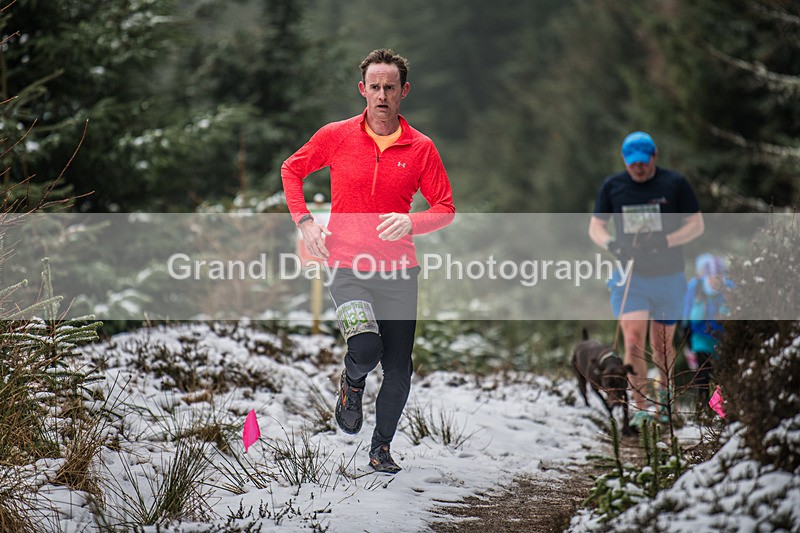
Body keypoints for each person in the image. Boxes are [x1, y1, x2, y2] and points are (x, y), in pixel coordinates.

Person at [281, 49, 455, 473]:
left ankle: (381, 449)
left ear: (403, 92)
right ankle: (352, 383)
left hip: (398, 273)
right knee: (364, 346)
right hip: (347, 266)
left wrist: (410, 222)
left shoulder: (421, 148)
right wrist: (305, 223)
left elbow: (445, 207)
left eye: (389, 87)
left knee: (398, 368)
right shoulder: (336, 135)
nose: (381, 95)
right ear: (363, 90)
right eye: (374, 87)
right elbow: (291, 170)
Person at [588, 131, 704, 428]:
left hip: (668, 277)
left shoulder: (674, 183)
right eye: (631, 163)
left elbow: (696, 225)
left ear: (654, 157)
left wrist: (666, 241)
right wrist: (612, 244)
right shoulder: (613, 186)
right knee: (633, 339)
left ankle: (666, 405)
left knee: (663, 345)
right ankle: (640, 408)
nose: (637, 168)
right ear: (625, 161)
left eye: (642, 162)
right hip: (632, 278)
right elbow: (596, 227)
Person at [681, 254, 731, 412]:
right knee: (703, 374)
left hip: (723, 340)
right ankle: (702, 409)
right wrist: (686, 333)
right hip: (700, 338)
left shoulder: (729, 287)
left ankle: (720, 409)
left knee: (723, 376)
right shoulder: (695, 287)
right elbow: (687, 312)